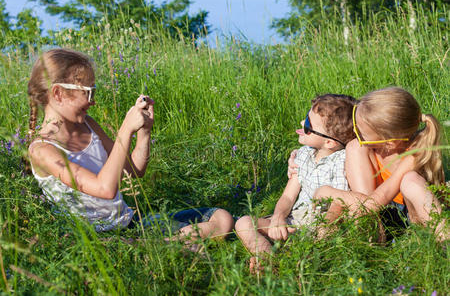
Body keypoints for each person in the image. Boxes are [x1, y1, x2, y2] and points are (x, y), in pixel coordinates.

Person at [27, 48, 234, 242]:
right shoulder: (43, 150)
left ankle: (165, 244)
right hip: (98, 238)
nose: (93, 102)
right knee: (207, 230)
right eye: (88, 93)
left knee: (222, 219)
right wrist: (125, 130)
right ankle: (162, 246)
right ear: (58, 93)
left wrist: (144, 132)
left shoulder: (88, 125)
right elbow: (104, 189)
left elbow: (134, 170)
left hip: (130, 223)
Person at [235, 94, 358, 271]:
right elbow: (288, 196)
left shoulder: (341, 162)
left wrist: (319, 229)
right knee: (243, 223)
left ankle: (292, 260)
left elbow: (338, 205)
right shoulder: (303, 155)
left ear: (329, 142)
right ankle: (269, 259)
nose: (302, 123)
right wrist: (278, 217)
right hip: (294, 221)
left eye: (308, 124)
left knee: (322, 237)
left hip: (322, 223)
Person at [307, 87, 447, 241]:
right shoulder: (371, 146)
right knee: (354, 147)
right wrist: (296, 157)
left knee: (410, 180)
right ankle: (370, 229)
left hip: (409, 217)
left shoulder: (414, 154)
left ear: (390, 143)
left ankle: (443, 238)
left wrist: (331, 192)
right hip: (377, 209)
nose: (356, 134)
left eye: (362, 134)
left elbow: (374, 203)